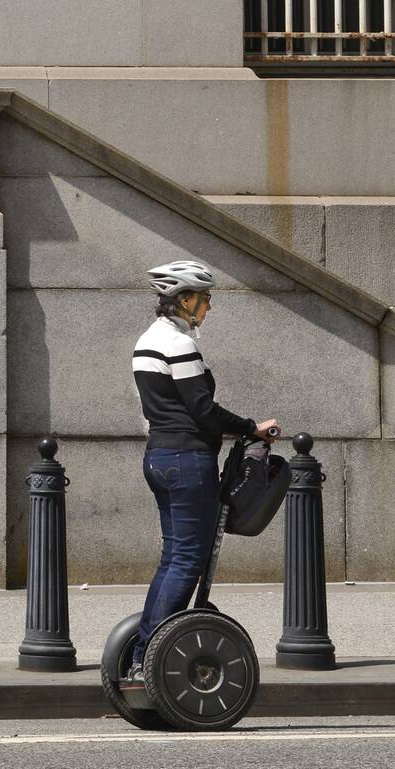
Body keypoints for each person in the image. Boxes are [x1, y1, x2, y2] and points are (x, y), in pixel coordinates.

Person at [126, 260, 279, 682]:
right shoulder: (179, 344)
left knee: (173, 557)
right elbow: (203, 410)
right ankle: (147, 657)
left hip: (159, 457)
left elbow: (156, 411)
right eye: (206, 298)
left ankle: (143, 651)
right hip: (188, 461)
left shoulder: (146, 341)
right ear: (185, 299)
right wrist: (253, 428)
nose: (209, 307)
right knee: (188, 559)